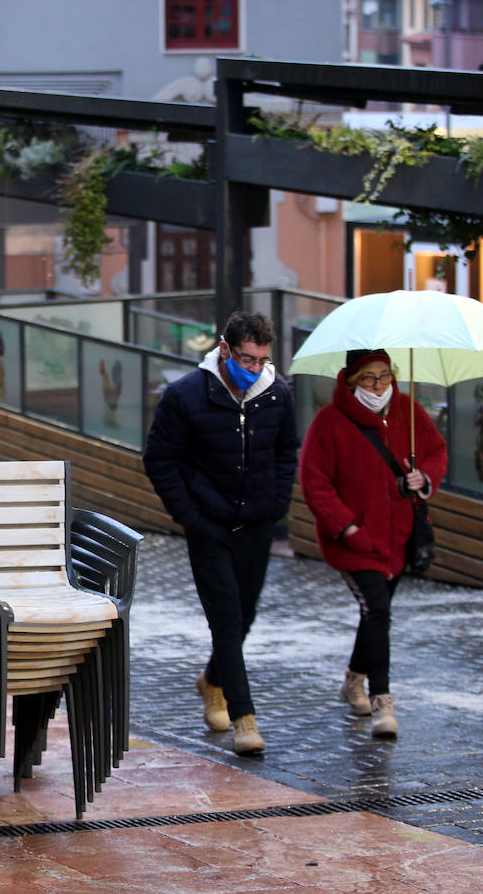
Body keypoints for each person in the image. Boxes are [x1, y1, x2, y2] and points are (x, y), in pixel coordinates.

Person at [143, 311, 298, 756]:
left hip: (258, 522)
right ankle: (243, 718)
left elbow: (287, 450)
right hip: (208, 525)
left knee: (244, 616)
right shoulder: (185, 395)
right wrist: (189, 515)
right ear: (225, 348)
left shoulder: (276, 393)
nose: (254, 369)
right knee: (227, 620)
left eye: (261, 360)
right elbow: (159, 459)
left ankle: (212, 680)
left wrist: (278, 503)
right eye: (246, 359)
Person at [298, 349, 447, 738]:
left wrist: (423, 477)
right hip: (355, 543)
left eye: (385, 376)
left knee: (374, 615)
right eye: (368, 378)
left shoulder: (408, 411)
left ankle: (352, 681)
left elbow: (436, 452)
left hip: (398, 539)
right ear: (351, 381)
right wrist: (347, 528)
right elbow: (315, 481)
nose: (379, 385)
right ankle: (383, 700)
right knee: (378, 611)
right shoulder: (329, 421)